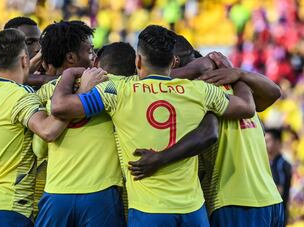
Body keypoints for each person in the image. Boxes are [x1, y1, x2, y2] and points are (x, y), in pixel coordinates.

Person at [50, 25, 256, 226]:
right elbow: (247, 107)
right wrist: (237, 74)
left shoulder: (119, 92)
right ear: (173, 61)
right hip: (193, 210)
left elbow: (60, 107)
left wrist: (68, 75)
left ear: (138, 61)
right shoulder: (199, 91)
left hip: (149, 211)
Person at [130, 50, 285, 226]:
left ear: (176, 63)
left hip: (233, 202)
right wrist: (239, 74)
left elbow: (208, 133)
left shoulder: (200, 92)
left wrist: (159, 158)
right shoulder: (242, 90)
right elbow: (274, 93)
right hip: (271, 200)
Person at [0, 29, 68, 227]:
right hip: (7, 208)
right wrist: (77, 100)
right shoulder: (20, 96)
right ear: (24, 60)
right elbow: (47, 131)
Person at [34, 21, 126, 227]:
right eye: (90, 50)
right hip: (101, 193)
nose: (94, 57)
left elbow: (39, 149)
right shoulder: (111, 84)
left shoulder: (44, 93)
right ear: (71, 58)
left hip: (57, 194)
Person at [266, 128, 292, 225]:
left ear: (277, 142)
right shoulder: (268, 163)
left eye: (268, 141)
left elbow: (279, 191)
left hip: (278, 213)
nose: (265, 144)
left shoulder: (282, 164)